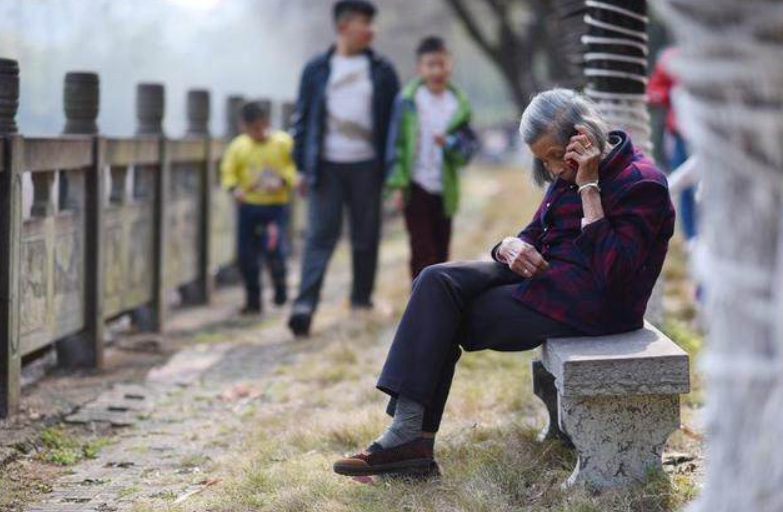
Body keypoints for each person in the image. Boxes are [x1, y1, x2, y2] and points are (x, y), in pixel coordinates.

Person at [332, 89, 676, 478]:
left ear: (584, 135)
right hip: (547, 276)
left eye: (552, 156)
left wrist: (589, 188)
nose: (551, 170)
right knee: (434, 281)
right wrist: (507, 247)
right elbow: (533, 233)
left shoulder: (642, 183)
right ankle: (407, 441)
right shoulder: (565, 169)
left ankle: (407, 441)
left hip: (594, 304)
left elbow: (615, 275)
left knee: (442, 318)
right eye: (542, 160)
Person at [288, 0, 400, 337]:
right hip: (326, 166)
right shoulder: (317, 69)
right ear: (343, 26)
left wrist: (393, 171)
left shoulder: (382, 70)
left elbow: (394, 125)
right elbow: (303, 119)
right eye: (364, 23)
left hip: (368, 165)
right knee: (320, 236)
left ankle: (360, 301)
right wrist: (299, 167)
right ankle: (304, 306)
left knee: (365, 237)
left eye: (371, 23)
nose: (371, 30)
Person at [386, 35, 478, 280]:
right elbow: (396, 144)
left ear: (450, 65)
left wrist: (449, 143)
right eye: (430, 64)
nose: (437, 70)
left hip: (445, 186)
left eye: (442, 63)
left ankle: (439, 302)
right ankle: (419, 303)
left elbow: (467, 150)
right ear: (420, 67)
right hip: (415, 183)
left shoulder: (458, 105)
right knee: (421, 248)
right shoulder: (408, 101)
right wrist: (396, 185)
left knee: (440, 249)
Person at [221, 101, 297, 315]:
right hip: (249, 208)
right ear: (243, 127)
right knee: (246, 256)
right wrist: (234, 189)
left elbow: (293, 169)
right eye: (253, 128)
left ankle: (280, 290)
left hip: (275, 207)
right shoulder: (238, 147)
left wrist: (283, 181)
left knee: (274, 250)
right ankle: (253, 301)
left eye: (261, 126)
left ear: (267, 122)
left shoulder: (283, 143)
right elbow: (228, 172)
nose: (258, 132)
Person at [649, 46, 697, 240]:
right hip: (678, 135)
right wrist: (670, 95)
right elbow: (653, 90)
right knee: (684, 188)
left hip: (706, 137)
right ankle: (690, 237)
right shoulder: (671, 59)